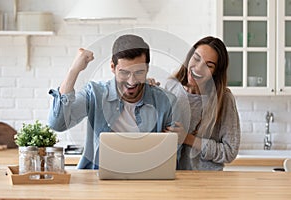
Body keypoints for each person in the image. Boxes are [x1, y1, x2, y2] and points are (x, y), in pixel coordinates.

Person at [47, 34, 177, 169]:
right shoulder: (94, 95)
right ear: (112, 67)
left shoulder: (166, 102)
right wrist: (74, 70)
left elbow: (171, 159)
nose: (131, 81)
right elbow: (57, 124)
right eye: (124, 73)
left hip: (147, 182)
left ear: (147, 69)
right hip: (98, 183)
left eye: (139, 72)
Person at [164, 36, 240, 170]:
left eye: (208, 65)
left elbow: (229, 152)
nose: (198, 68)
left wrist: (188, 139)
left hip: (208, 182)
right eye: (196, 58)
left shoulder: (224, 99)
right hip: (175, 178)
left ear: (216, 72)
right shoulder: (171, 88)